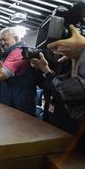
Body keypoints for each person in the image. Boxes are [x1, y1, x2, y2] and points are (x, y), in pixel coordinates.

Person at [30, 25, 85, 154]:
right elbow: (48, 86)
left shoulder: (78, 57)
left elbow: (70, 93)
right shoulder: (64, 59)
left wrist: (79, 54)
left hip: (74, 130)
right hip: (53, 120)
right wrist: (40, 69)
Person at [0, 27, 37, 115]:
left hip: (18, 109)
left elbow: (2, 75)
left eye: (4, 39)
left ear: (16, 38)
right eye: (0, 40)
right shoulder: (6, 54)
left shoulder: (20, 51)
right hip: (8, 106)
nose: (2, 43)